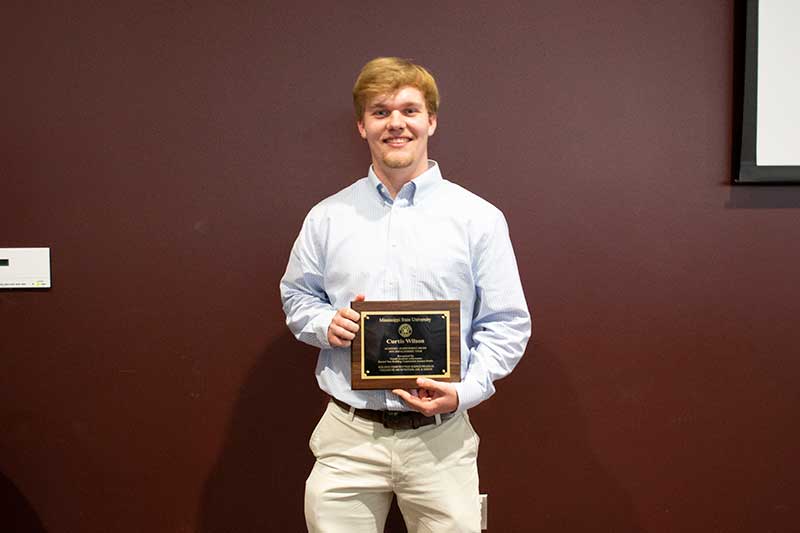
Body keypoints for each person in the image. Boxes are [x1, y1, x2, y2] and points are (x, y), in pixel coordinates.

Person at [280, 56, 531, 533]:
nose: (395, 123)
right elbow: (297, 298)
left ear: (431, 121)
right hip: (348, 437)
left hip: (442, 442)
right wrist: (323, 325)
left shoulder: (478, 219)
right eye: (380, 111)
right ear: (361, 125)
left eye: (409, 110)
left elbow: (507, 323)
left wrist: (462, 394)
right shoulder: (327, 218)